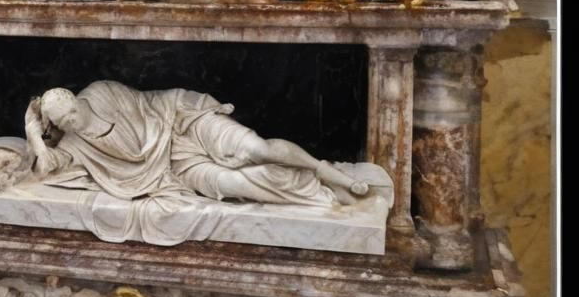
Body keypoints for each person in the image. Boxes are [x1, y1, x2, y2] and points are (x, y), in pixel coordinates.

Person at [25, 82, 367, 205]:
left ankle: (324, 170)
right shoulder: (74, 144)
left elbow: (149, 106)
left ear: (76, 100)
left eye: (72, 113)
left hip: (181, 122)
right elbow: (43, 170)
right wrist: (33, 135)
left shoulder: (101, 92)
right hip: (173, 169)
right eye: (64, 122)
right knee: (238, 183)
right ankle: (319, 192)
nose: (73, 121)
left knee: (255, 149)